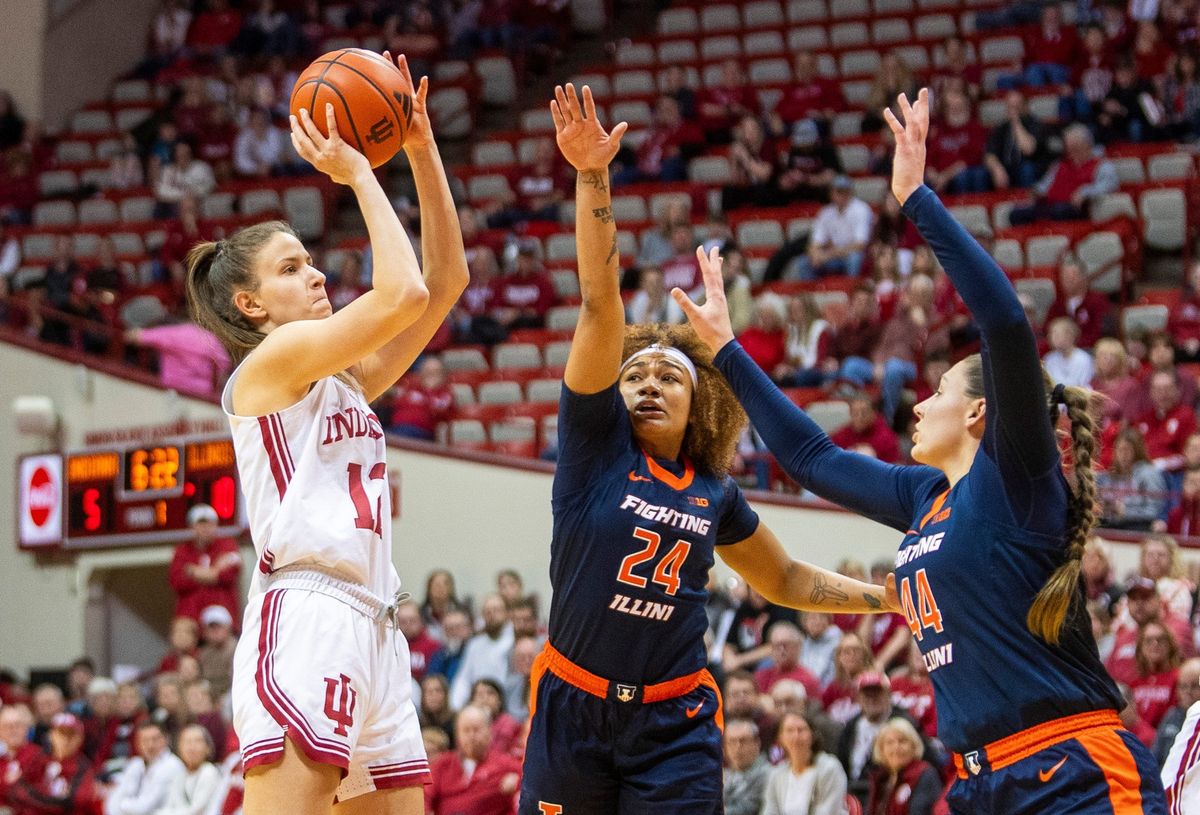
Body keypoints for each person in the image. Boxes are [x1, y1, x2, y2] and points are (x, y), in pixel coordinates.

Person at [673, 87, 1168, 814]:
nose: (919, 403)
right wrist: (726, 351)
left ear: (978, 410)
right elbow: (810, 458)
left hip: (1071, 768)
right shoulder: (923, 497)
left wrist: (917, 199)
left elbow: (1003, 322)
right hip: (979, 782)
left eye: (935, 391)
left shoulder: (1017, 474)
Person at [518, 83, 899, 815]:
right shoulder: (593, 450)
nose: (649, 383)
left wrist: (876, 598)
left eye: (669, 375)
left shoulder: (712, 490)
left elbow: (783, 575)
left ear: (702, 404)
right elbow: (603, 302)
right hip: (572, 705)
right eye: (635, 374)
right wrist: (593, 175)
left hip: (674, 719)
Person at [186, 54, 467, 815]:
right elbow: (402, 289)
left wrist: (418, 145)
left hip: (375, 621)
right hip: (306, 613)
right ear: (250, 303)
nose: (315, 275)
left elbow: (444, 284)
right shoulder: (271, 365)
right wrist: (354, 170)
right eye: (292, 267)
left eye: (311, 260)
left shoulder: (342, 378)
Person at [425, 705, 521, 815]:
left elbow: (532, 781)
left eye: (476, 730)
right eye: (466, 730)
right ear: (457, 735)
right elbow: (424, 797)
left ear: (490, 732)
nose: (471, 736)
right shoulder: (442, 764)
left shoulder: (505, 764)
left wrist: (517, 781)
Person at [7, 712, 97, 815]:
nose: (66, 740)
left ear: (80, 739)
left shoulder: (83, 766)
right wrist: (51, 799)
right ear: (51, 735)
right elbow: (15, 791)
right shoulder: (38, 758)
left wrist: (34, 795)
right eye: (61, 733)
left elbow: (73, 801)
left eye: (71, 734)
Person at [760, 712, 848, 815]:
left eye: (801, 730)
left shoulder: (829, 768)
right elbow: (769, 811)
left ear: (812, 735)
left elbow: (828, 811)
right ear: (780, 738)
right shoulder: (776, 774)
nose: (796, 736)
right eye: (790, 731)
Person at [169, 504, 242, 626]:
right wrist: (215, 570)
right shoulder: (182, 551)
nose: (206, 528)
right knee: (180, 634)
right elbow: (177, 581)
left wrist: (193, 571)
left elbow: (229, 575)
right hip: (192, 621)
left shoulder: (228, 545)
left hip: (223, 621)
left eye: (210, 524)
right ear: (192, 526)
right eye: (201, 524)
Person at [104, 719, 186, 815]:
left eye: (155, 739)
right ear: (137, 743)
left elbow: (143, 808)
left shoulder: (172, 765)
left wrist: (121, 804)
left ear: (166, 739)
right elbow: (111, 804)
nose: (150, 745)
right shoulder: (136, 764)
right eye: (145, 740)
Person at [866, 717, 942, 815]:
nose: (896, 747)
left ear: (914, 746)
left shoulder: (925, 774)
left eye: (902, 741)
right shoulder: (880, 779)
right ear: (881, 750)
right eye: (890, 742)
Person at [158, 723, 221, 815]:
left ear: (208, 748)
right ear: (179, 748)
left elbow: (195, 810)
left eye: (197, 741)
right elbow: (169, 806)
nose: (192, 747)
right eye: (187, 742)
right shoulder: (179, 775)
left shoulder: (209, 772)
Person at [722, 718, 771, 815]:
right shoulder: (723, 775)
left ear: (757, 744)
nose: (737, 747)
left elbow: (747, 809)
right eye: (732, 741)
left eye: (743, 741)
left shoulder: (768, 773)